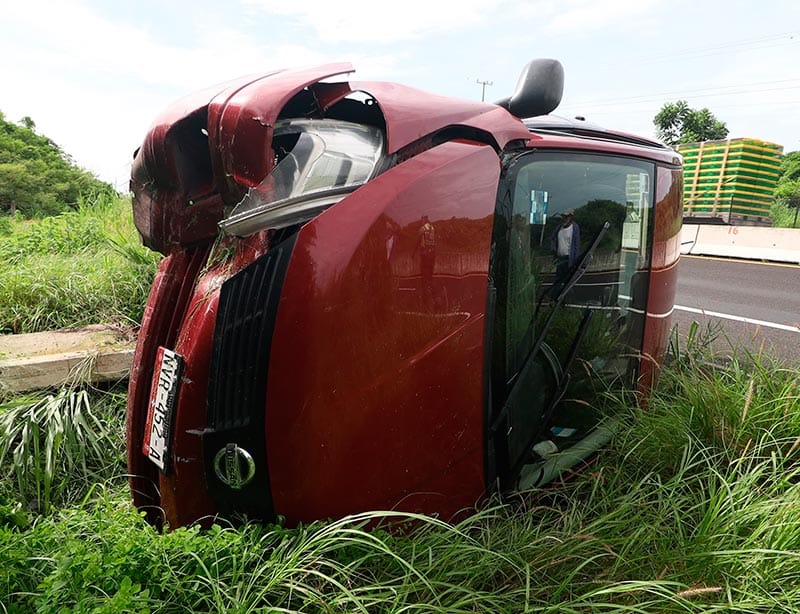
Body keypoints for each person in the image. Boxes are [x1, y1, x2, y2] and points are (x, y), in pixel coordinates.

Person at [549, 208, 580, 297]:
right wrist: (553, 250)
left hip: (569, 259)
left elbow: (576, 245)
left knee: (568, 280)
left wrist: (576, 260)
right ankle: (554, 298)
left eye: (567, 217)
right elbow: (552, 238)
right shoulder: (559, 227)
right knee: (558, 280)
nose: (565, 218)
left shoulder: (574, 228)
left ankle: (566, 299)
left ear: (571, 217)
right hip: (560, 258)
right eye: (564, 216)